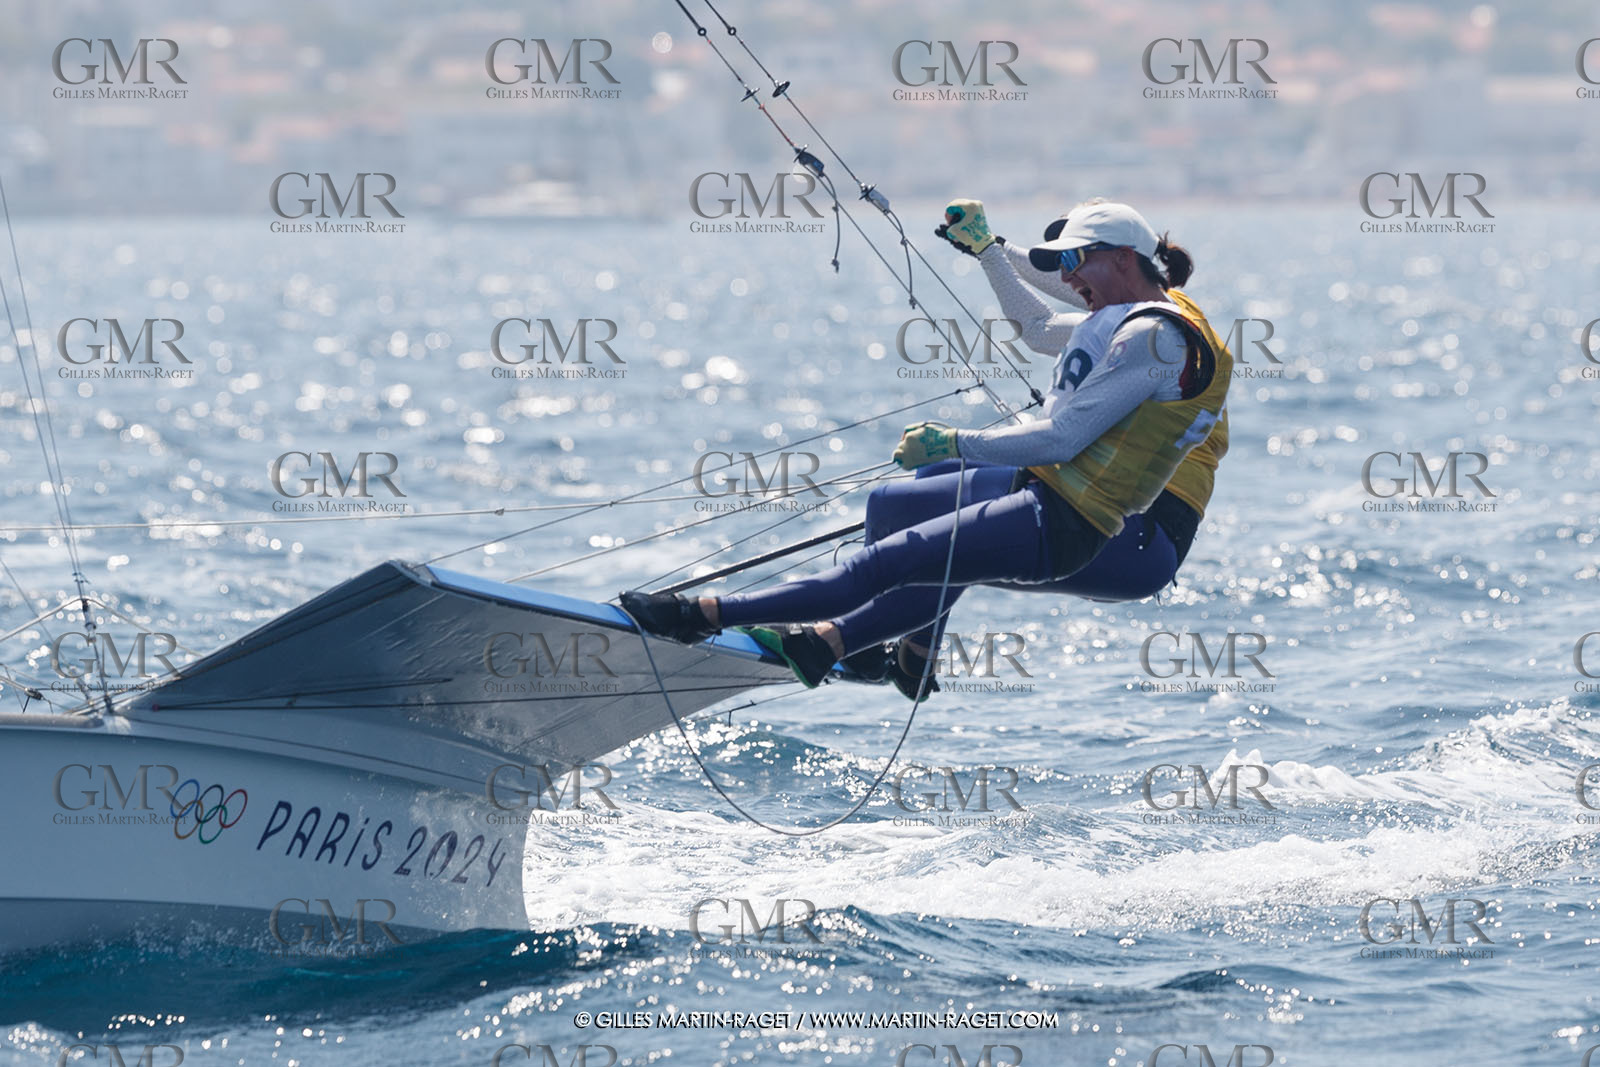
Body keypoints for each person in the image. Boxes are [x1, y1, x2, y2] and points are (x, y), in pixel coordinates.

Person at [623, 202, 1233, 698]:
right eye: (1065, 264)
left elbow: (1065, 432)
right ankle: (880, 651)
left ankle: (735, 622)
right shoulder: (1125, 315)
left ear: (1128, 259)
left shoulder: (1162, 334)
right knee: (893, 511)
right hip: (1059, 496)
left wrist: (956, 437)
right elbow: (1044, 320)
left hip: (1133, 530)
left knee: (892, 563)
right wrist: (991, 249)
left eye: (1077, 260)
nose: (1069, 278)